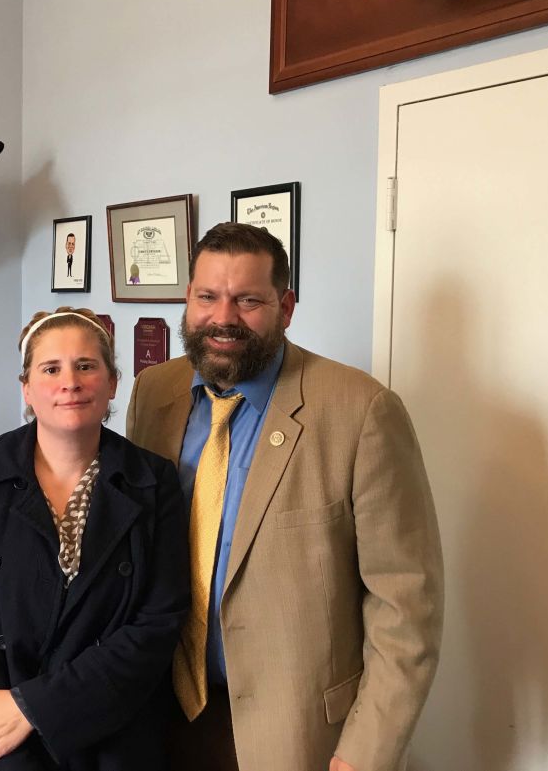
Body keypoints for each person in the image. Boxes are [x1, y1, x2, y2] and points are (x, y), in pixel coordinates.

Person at [126, 223, 443, 771]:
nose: (223, 317)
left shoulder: (360, 411)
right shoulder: (155, 393)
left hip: (294, 735)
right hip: (158, 717)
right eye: (207, 296)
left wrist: (366, 753)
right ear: (188, 299)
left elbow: (405, 604)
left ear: (286, 306)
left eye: (248, 300)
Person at [0, 307, 190, 770]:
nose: (69, 382)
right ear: (27, 388)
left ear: (112, 383)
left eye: (86, 366)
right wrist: (0, 725)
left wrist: (35, 709)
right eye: (51, 368)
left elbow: (157, 624)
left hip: (110, 737)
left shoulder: (153, 481)